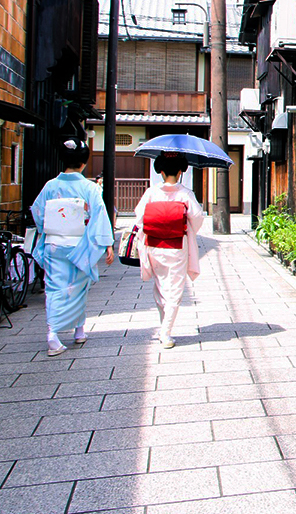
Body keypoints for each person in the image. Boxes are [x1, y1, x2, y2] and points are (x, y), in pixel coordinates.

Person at [31, 138, 115, 357]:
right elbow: (99, 215)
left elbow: (38, 212)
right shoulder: (89, 187)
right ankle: (70, 332)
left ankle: (59, 333)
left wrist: (48, 228)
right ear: (84, 163)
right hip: (79, 245)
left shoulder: (50, 186)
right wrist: (107, 244)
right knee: (79, 288)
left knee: (54, 288)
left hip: (54, 245)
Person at [134, 151, 204, 348]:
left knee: (160, 285)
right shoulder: (185, 194)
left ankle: (164, 326)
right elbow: (197, 217)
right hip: (176, 245)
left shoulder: (151, 192)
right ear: (181, 171)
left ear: (161, 172)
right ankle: (165, 332)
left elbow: (139, 218)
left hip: (154, 245)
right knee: (174, 289)